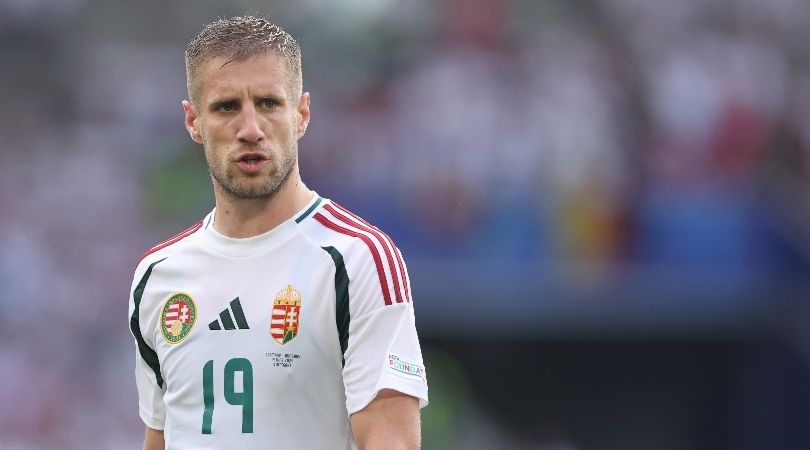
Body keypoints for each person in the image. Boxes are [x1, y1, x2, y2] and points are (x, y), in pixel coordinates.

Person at [128, 15, 428, 449]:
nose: (250, 129)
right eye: (227, 106)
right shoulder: (156, 276)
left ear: (301, 114)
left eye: (268, 103)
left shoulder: (357, 259)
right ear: (193, 121)